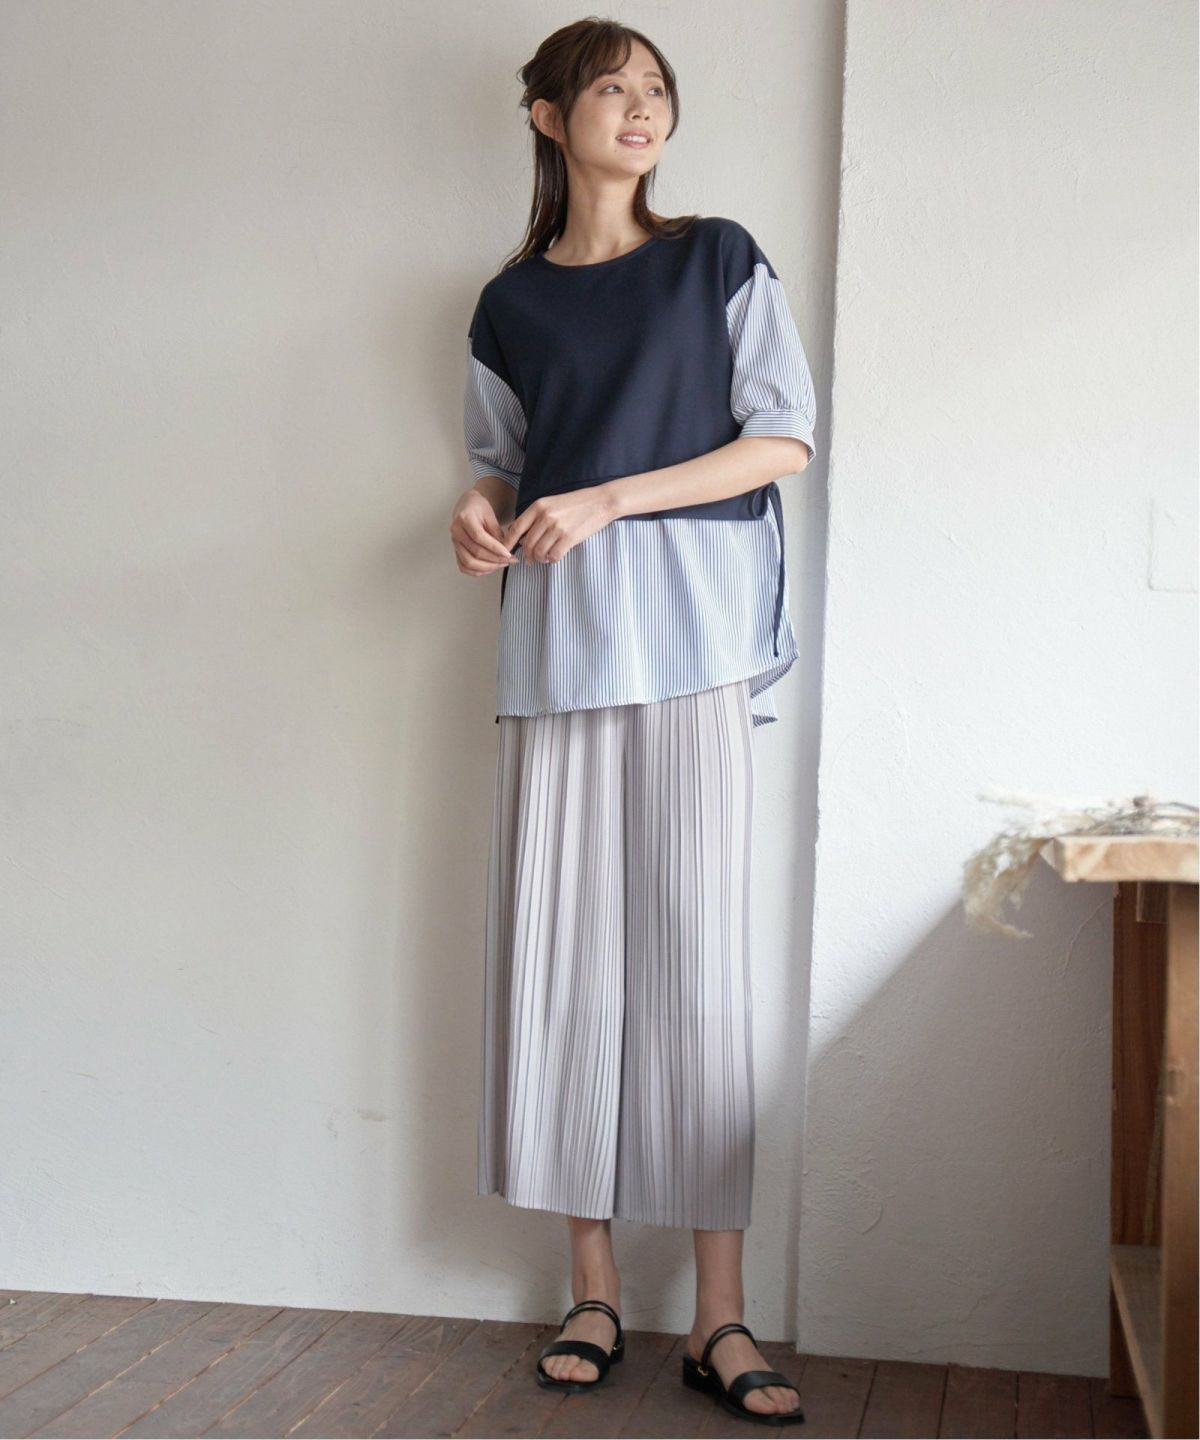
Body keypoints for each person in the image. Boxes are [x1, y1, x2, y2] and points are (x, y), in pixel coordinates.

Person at [450, 17, 815, 1428]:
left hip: (693, 642)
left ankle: (721, 1312)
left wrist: (610, 496)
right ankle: (591, 1287)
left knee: (697, 969)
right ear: (549, 116)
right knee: (562, 968)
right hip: (556, 648)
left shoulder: (717, 257)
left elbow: (781, 437)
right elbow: (498, 467)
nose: (642, 107)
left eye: (657, 88)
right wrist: (477, 516)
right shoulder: (507, 304)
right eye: (611, 88)